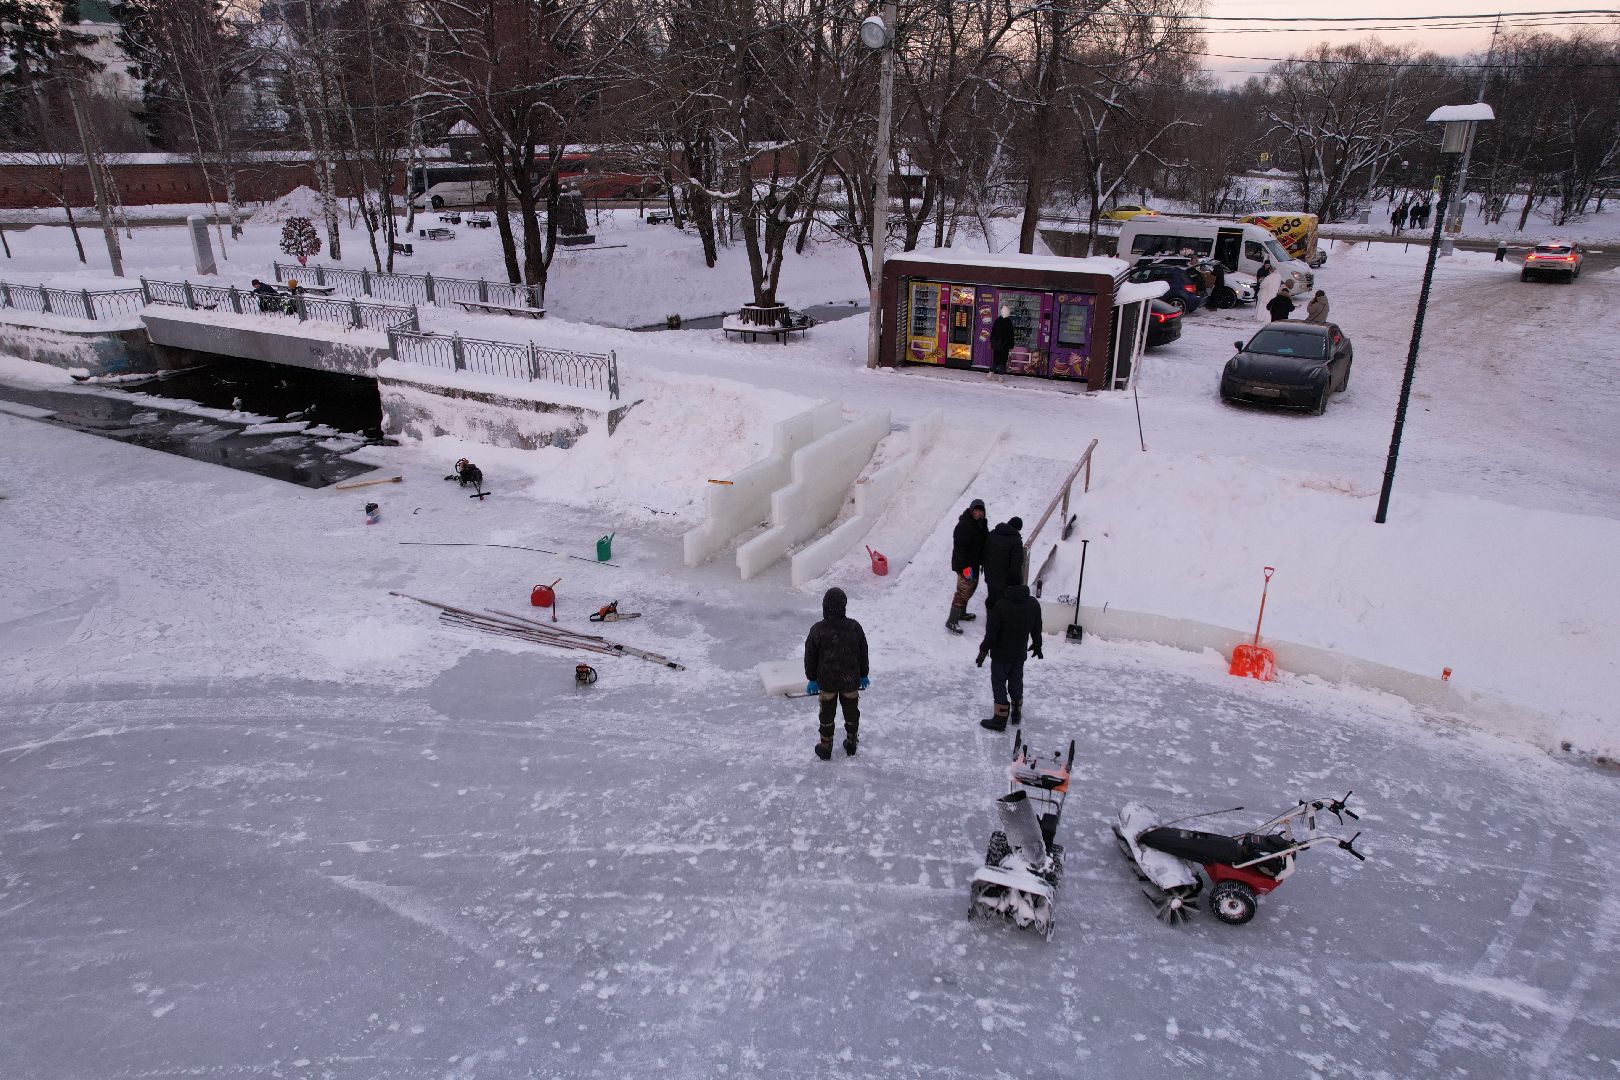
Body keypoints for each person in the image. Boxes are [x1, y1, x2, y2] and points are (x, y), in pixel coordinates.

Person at [803, 587, 869, 760]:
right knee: (851, 711)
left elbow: (810, 655)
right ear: (843, 606)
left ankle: (826, 746)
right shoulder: (854, 627)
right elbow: (863, 652)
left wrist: (812, 678)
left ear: (825, 606)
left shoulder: (817, 630)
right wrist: (863, 674)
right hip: (850, 681)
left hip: (827, 682)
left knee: (826, 713)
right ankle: (852, 742)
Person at [976, 583, 1042, 732]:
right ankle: (1016, 713)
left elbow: (991, 634)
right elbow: (1037, 626)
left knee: (999, 683)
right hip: (1019, 655)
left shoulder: (1001, 606)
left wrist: (983, 651)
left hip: (1001, 656)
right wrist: (1038, 644)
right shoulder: (1032, 604)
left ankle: (1000, 719)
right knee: (1016, 680)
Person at [947, 498, 988, 635]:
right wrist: (965, 568)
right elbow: (960, 549)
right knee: (963, 591)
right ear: (971, 510)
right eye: (976, 510)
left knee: (971, 589)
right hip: (965, 565)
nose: (978, 513)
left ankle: (961, 613)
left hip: (974, 563)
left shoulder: (981, 524)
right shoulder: (964, 526)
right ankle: (952, 621)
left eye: (980, 511)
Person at [981, 516, 1024, 611]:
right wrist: (1017, 582)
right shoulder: (1016, 541)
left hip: (990, 575)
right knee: (1002, 603)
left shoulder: (992, 533)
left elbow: (985, 552)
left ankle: (990, 620)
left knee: (991, 598)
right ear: (1018, 528)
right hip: (1004, 580)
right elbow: (1016, 565)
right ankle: (998, 622)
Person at [988, 305, 1015, 381]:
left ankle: (990, 373)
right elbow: (1011, 335)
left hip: (997, 344)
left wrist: (992, 342)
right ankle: (1000, 377)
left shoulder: (997, 320)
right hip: (1005, 345)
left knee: (996, 359)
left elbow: (993, 332)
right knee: (1003, 360)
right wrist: (1011, 345)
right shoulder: (1009, 322)